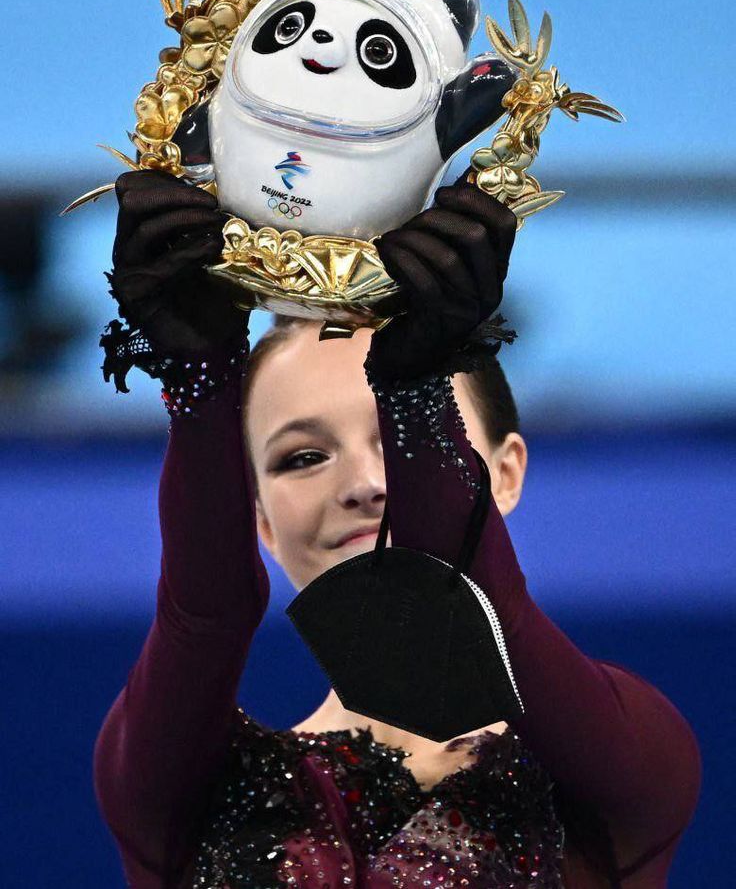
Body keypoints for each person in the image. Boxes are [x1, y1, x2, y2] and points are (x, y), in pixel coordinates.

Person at [93, 169, 702, 888]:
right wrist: (199, 381)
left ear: (503, 473)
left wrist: (417, 390)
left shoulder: (626, 762)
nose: (365, 485)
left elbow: (479, 593)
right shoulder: (168, 792)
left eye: (395, 441)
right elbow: (204, 614)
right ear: (253, 517)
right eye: (303, 457)